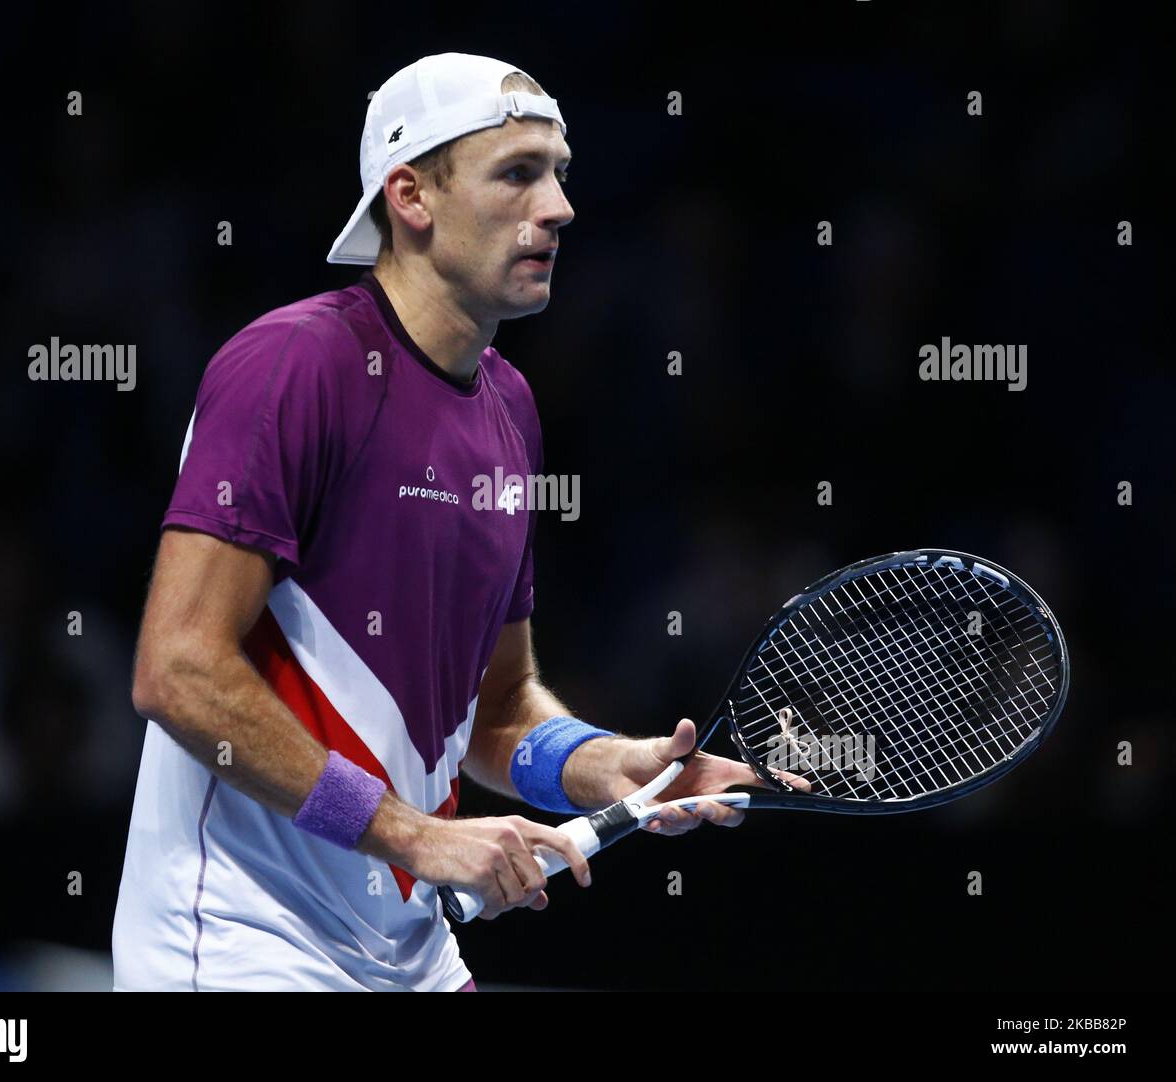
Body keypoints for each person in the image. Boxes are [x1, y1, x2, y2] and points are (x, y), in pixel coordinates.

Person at [112, 52, 797, 992]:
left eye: (558, 173)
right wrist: (415, 834)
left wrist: (624, 769)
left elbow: (499, 713)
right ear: (410, 196)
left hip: (411, 952)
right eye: (518, 173)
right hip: (240, 942)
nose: (557, 207)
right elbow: (177, 670)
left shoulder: (510, 410)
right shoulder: (292, 367)